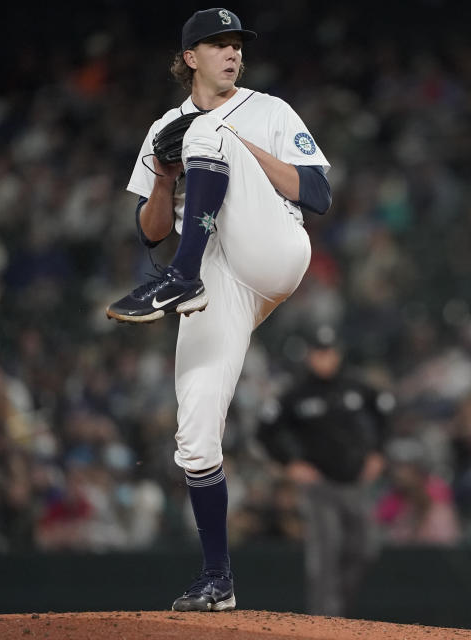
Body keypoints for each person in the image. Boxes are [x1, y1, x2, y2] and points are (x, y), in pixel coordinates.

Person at [106, 8, 332, 612]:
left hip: (271, 249)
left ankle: (178, 279)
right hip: (214, 276)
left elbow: (318, 193)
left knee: (209, 132)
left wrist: (236, 144)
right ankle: (217, 580)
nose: (233, 53)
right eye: (218, 44)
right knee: (196, 434)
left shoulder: (270, 109)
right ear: (189, 58)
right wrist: (162, 178)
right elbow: (151, 231)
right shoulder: (164, 127)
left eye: (237, 44)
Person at [256, 325, 394, 617]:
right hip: (320, 487)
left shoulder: (356, 385)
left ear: (338, 354)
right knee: (325, 555)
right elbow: (265, 430)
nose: (325, 359)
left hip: (355, 482)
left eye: (329, 352)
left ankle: (338, 613)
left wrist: (378, 453)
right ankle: (324, 622)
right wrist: (289, 463)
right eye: (319, 352)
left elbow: (385, 413)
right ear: (310, 355)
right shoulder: (296, 393)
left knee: (366, 548)